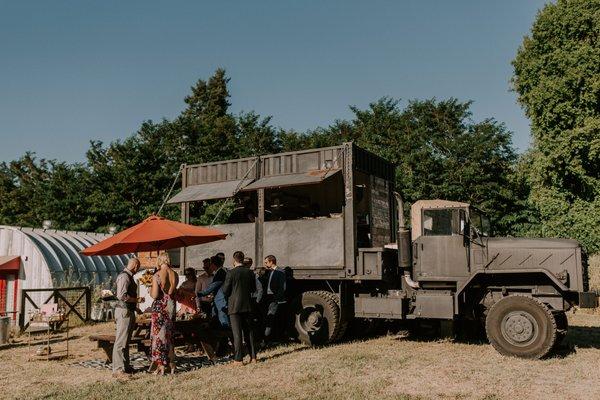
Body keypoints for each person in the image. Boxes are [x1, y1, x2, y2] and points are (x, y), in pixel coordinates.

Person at [221, 251, 257, 365]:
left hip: (234, 307)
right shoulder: (250, 273)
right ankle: (253, 357)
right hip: (248, 305)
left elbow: (225, 291)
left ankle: (238, 359)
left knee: (237, 334)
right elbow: (253, 289)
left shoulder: (231, 273)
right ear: (243, 259)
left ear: (234, 260)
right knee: (249, 332)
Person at [113, 257, 143, 377]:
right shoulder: (125, 276)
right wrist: (137, 300)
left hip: (129, 310)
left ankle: (125, 366)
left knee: (126, 340)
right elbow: (122, 296)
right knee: (121, 341)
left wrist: (135, 307)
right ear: (135, 266)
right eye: (138, 267)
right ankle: (118, 369)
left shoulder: (129, 276)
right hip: (123, 311)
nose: (137, 269)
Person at [149, 252, 179, 375]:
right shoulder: (175, 274)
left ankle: (161, 365)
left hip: (160, 308)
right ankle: (172, 363)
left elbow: (155, 295)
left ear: (159, 261)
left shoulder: (157, 275)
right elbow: (172, 292)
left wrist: (150, 290)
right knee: (169, 336)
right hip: (170, 307)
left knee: (158, 337)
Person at [197, 255, 229, 328]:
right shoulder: (221, 271)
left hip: (221, 301)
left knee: (223, 321)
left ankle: (225, 336)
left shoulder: (220, 272)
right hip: (219, 300)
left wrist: (200, 293)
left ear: (213, 265)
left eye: (210, 264)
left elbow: (213, 286)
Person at [262, 255, 286, 342]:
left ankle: (267, 339)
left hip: (274, 297)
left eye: (266, 262)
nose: (265, 264)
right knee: (267, 316)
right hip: (268, 297)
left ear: (271, 262)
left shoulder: (280, 272)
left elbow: (282, 287)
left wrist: (276, 298)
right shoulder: (269, 271)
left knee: (271, 318)